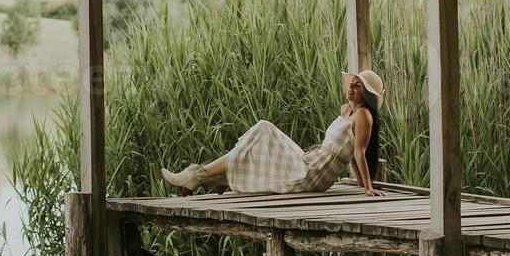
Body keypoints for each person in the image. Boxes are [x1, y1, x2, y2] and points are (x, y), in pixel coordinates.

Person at [162, 69, 386, 197]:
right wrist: (359, 181)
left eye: (357, 86)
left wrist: (367, 186)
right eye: (352, 83)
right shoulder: (345, 110)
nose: (351, 87)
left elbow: (359, 151)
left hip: (315, 173)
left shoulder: (363, 116)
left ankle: (201, 175)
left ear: (365, 94)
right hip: (310, 159)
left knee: (262, 130)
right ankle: (208, 175)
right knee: (263, 127)